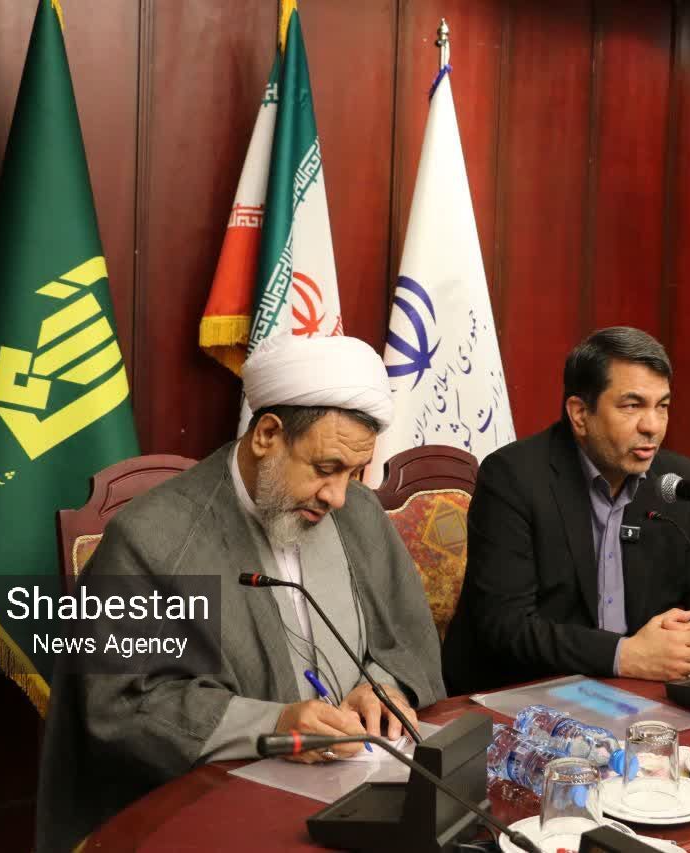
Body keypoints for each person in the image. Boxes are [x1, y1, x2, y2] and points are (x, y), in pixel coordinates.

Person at [36, 334, 445, 853]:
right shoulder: (152, 539)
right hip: (216, 807)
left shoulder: (358, 515)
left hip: (364, 789)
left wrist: (381, 688)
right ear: (267, 435)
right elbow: (124, 704)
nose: (339, 496)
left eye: (353, 472)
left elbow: (408, 640)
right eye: (325, 469)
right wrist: (275, 723)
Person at [442, 327, 690, 695]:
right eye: (632, 406)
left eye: (662, 406)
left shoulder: (676, 480)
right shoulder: (513, 477)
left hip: (639, 693)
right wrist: (625, 655)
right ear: (580, 414)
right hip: (526, 693)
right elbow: (506, 627)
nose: (652, 426)